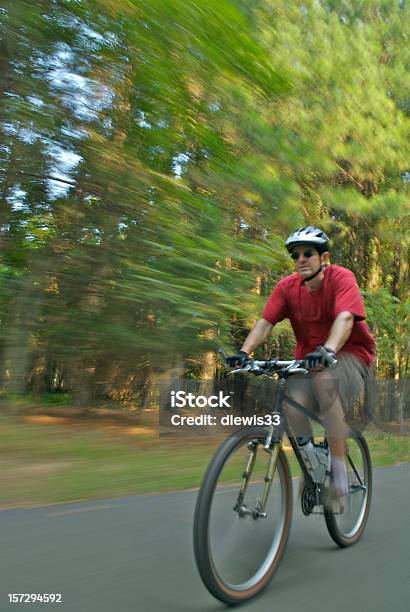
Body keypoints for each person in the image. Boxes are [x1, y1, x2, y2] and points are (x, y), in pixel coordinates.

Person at [226, 226, 376, 510]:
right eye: (296, 255)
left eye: (308, 253)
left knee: (324, 382)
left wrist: (329, 350)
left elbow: (345, 319)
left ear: (324, 258)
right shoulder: (287, 288)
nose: (301, 259)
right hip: (310, 360)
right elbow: (265, 323)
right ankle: (313, 464)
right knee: (292, 404)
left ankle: (340, 475)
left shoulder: (342, 278)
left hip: (351, 354)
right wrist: (244, 352)